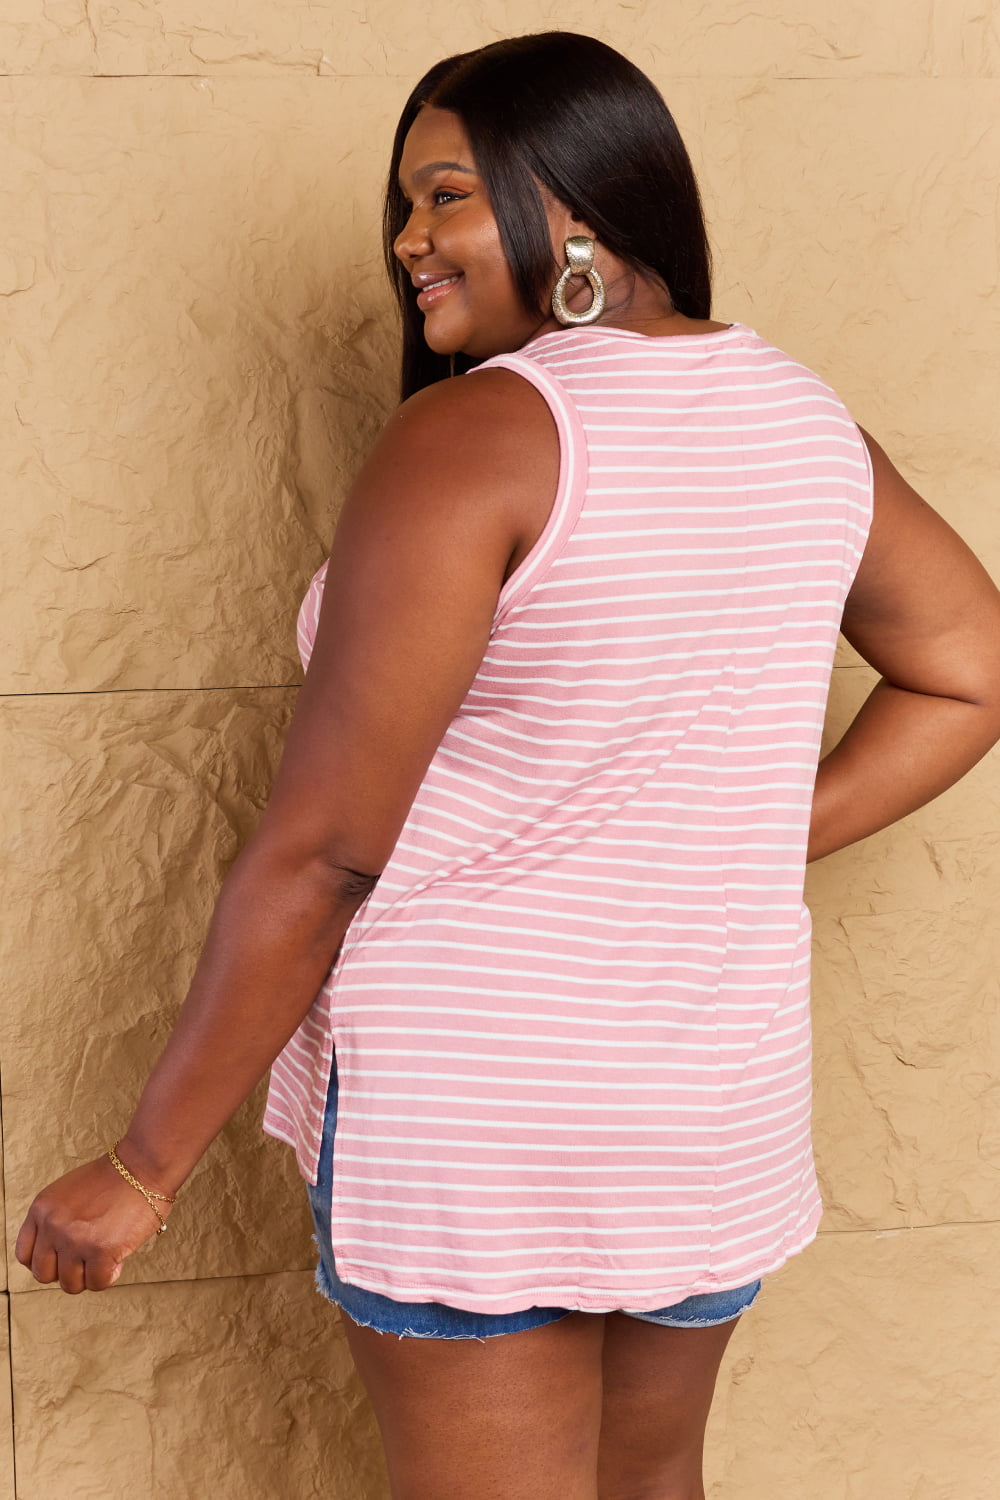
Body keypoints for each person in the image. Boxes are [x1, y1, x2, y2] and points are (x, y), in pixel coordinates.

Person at [16, 30, 1000, 1500]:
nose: (410, 241)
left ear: (580, 205)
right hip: (703, 1091)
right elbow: (966, 666)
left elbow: (326, 852)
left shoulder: (478, 438)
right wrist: (725, 838)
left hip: (482, 1101)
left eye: (446, 195)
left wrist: (145, 1168)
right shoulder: (806, 425)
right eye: (402, 208)